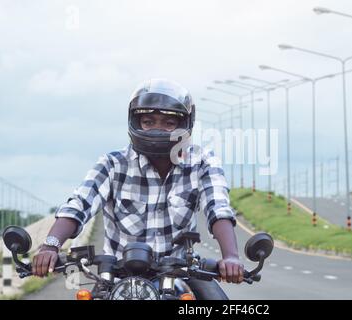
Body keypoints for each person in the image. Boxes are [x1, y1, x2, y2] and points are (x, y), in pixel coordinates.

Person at [33, 78, 243, 299]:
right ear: (135, 121)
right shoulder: (112, 164)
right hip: (116, 276)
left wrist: (230, 256)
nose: (157, 129)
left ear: (184, 125)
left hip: (179, 271)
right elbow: (79, 205)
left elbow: (218, 207)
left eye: (168, 123)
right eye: (148, 121)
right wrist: (51, 245)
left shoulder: (202, 162)